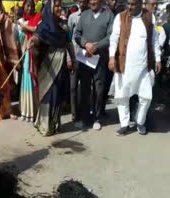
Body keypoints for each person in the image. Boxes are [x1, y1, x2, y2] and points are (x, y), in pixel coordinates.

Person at [109, 0, 161, 135]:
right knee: (122, 96)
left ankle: (140, 121)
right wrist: (111, 57)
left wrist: (158, 59)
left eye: (133, 4)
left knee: (146, 97)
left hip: (143, 66)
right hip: (124, 64)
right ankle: (124, 124)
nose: (129, 7)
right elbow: (114, 38)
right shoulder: (120, 17)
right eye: (128, 4)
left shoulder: (150, 17)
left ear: (140, 4)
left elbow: (154, 39)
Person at [28, 0, 76, 136]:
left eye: (60, 5)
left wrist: (72, 59)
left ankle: (54, 123)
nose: (59, 7)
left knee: (58, 95)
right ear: (50, 8)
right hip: (47, 66)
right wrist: (32, 41)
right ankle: (44, 124)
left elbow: (69, 44)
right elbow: (38, 37)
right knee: (48, 95)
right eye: (57, 5)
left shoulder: (64, 26)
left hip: (61, 66)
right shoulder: (44, 26)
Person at [74, 0, 114, 130]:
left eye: (95, 0)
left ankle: (97, 117)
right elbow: (77, 34)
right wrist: (86, 44)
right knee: (84, 89)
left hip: (100, 58)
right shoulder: (84, 15)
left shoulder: (108, 15)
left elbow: (110, 36)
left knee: (99, 88)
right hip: (85, 58)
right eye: (90, 0)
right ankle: (85, 118)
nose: (92, 2)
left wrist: (96, 46)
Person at [16, 0, 42, 122]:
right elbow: (16, 41)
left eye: (32, 6)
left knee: (33, 81)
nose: (30, 8)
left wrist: (25, 27)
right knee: (26, 82)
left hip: (35, 56)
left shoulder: (37, 18)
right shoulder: (20, 22)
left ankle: (35, 111)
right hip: (24, 56)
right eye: (27, 6)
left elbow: (37, 30)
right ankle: (26, 111)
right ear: (23, 7)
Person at [67, 0, 89, 126]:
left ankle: (85, 113)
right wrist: (69, 59)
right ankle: (74, 114)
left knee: (86, 87)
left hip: (88, 57)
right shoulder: (72, 17)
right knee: (73, 87)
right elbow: (68, 39)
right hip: (75, 55)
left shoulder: (92, 17)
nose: (82, 2)